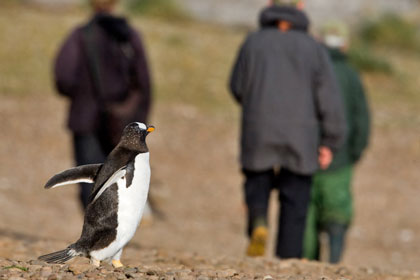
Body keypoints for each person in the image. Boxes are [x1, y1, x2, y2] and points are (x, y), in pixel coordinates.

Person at [229, 0, 347, 259]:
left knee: (257, 179)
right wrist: (330, 141)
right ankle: (288, 258)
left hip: (258, 130)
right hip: (301, 136)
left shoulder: (253, 42)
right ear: (301, 7)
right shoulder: (313, 48)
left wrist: (256, 107)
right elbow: (329, 100)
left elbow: (237, 86)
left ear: (270, 5)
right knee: (295, 197)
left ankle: (259, 220)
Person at [54, 0, 152, 210]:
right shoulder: (130, 36)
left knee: (90, 183)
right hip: (123, 123)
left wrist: (81, 95)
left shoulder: (80, 36)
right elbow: (144, 83)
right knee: (119, 184)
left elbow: (64, 77)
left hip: (86, 119)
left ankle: (95, 237)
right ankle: (113, 236)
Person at [303, 21, 370, 263]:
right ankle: (333, 264)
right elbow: (362, 117)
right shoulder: (351, 75)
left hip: (306, 155)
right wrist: (355, 152)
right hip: (340, 157)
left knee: (306, 213)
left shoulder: (310, 69)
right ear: (344, 44)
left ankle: (306, 266)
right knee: (336, 212)